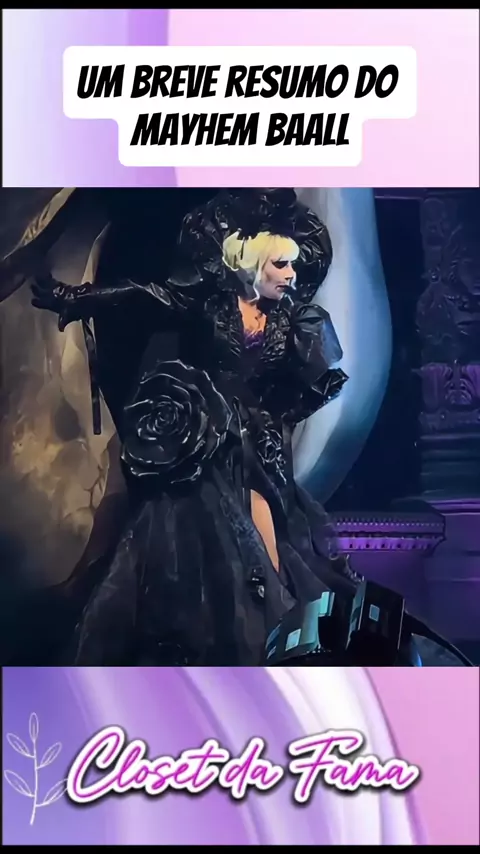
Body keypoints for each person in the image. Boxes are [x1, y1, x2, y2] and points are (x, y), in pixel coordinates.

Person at [30, 188, 358, 666]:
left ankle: (279, 641)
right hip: (209, 441)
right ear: (253, 267)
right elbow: (145, 295)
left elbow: (309, 385)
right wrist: (80, 298)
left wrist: (283, 408)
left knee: (272, 539)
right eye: (281, 266)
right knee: (199, 546)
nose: (291, 275)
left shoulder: (294, 322)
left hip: (261, 445)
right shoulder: (211, 307)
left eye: (292, 266)